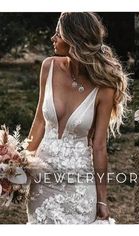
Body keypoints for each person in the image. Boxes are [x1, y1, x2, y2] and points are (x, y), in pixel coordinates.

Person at [26, 12, 130, 224]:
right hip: (42, 181)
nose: (52, 38)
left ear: (75, 39)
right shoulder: (49, 66)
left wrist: (102, 200)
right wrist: (19, 164)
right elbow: (39, 122)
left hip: (79, 185)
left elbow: (99, 146)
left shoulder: (104, 87)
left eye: (58, 34)